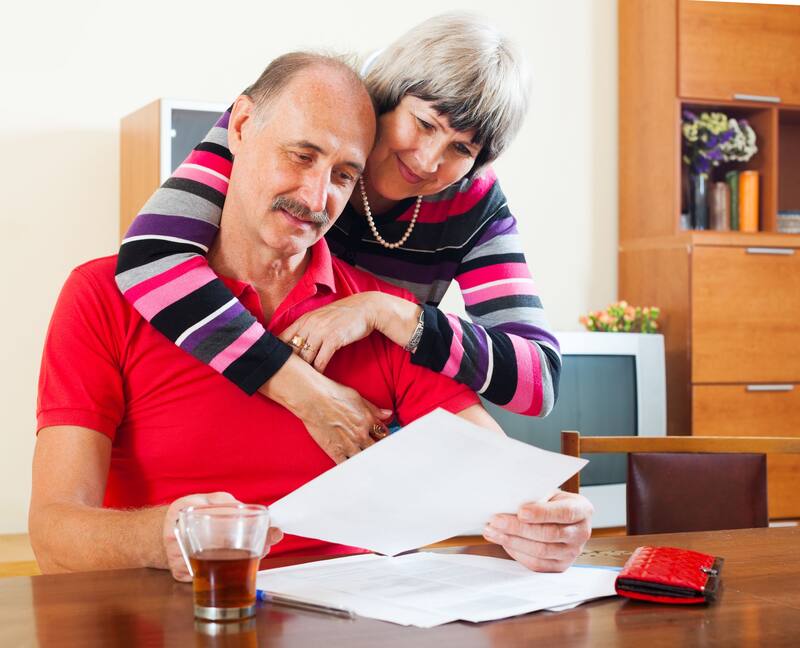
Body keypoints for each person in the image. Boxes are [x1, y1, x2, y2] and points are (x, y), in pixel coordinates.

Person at [32, 53, 593, 581]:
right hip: (181, 611)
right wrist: (159, 538)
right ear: (243, 126)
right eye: (300, 155)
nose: (315, 195)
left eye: (345, 175)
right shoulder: (103, 295)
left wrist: (550, 523)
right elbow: (53, 535)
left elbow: (507, 476)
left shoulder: (379, 315)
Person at [115, 12, 562, 468]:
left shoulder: (474, 203)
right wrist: (303, 389)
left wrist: (384, 310)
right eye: (425, 123)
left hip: (369, 429)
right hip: (238, 386)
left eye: (461, 149)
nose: (429, 161)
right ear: (388, 95)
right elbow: (151, 256)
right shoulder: (308, 115)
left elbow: (538, 380)